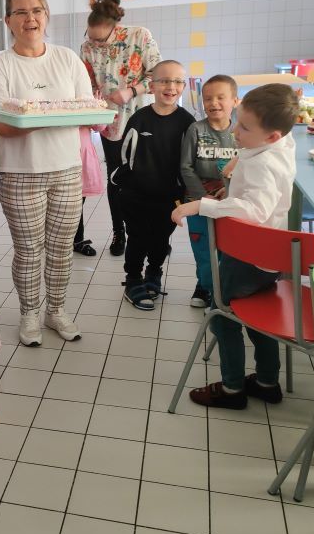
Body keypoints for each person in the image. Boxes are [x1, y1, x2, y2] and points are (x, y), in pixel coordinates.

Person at [172, 84, 298, 410]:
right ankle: (267, 382)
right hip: (270, 256)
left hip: (247, 257)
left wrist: (202, 205)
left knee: (222, 315)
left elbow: (254, 210)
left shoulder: (262, 164)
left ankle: (231, 389)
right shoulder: (282, 144)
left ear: (271, 136)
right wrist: (239, 159)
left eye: (244, 127)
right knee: (259, 319)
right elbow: (266, 150)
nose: (235, 131)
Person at [0, 0, 91, 347]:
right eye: (21, 12)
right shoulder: (0, 66)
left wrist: (35, 115)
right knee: (29, 251)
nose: (30, 18)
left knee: (61, 249)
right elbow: (0, 125)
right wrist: (47, 117)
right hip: (20, 173)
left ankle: (56, 310)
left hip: (66, 170)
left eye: (37, 10)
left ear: (46, 16)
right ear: (8, 21)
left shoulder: (67, 59)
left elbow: (85, 109)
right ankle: (29, 314)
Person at [80, 0, 161, 256]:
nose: (94, 44)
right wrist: (92, 100)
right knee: (116, 179)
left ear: (114, 28)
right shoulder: (87, 47)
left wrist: (131, 91)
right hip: (111, 123)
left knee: (144, 177)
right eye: (90, 38)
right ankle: (119, 233)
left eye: (100, 40)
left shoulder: (140, 36)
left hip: (141, 117)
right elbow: (88, 83)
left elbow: (159, 76)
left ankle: (149, 232)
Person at [113, 60, 195, 311]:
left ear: (183, 86)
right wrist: (123, 186)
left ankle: (154, 272)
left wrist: (187, 192)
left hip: (170, 196)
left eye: (177, 81)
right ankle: (133, 278)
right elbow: (125, 157)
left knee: (160, 240)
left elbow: (190, 160)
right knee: (137, 238)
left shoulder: (187, 122)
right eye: (164, 81)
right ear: (152, 85)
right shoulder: (140, 119)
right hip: (136, 195)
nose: (171, 87)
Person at [179, 74, 239, 308]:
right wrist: (201, 196)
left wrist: (228, 189)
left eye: (220, 97)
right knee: (203, 250)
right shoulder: (196, 130)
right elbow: (186, 166)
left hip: (229, 203)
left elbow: (246, 165)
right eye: (208, 98)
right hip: (198, 203)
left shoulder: (240, 132)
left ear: (235, 101)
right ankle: (204, 286)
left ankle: (221, 290)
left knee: (226, 250)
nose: (214, 103)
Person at [72, 126, 105, 257]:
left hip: (82, 151)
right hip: (61, 151)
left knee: (77, 200)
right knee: (72, 201)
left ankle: (77, 240)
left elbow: (100, 125)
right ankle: (75, 240)